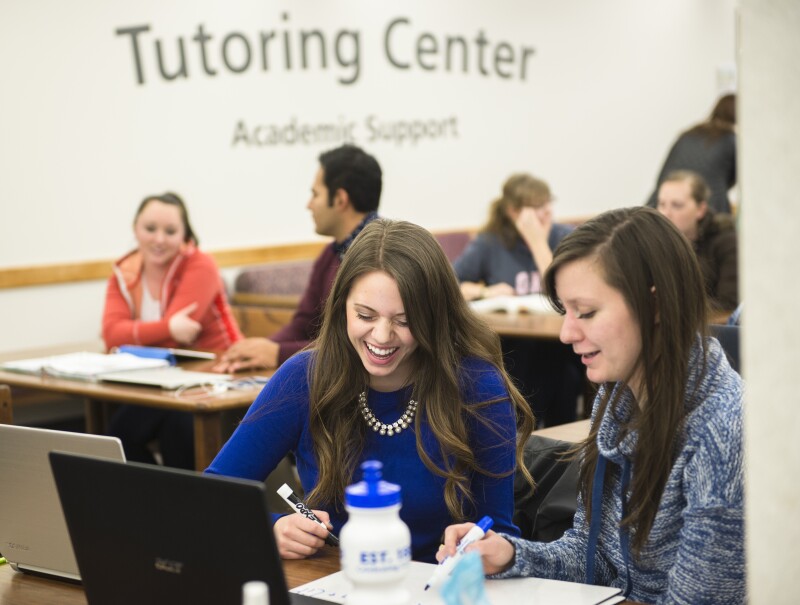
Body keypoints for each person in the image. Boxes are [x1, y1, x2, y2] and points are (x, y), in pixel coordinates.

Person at [440, 207, 744, 604]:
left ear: (654, 306)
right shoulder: (618, 395)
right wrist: (512, 554)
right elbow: (594, 556)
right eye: (566, 312)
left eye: (586, 312)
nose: (567, 333)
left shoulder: (722, 432)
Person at [206, 219, 535, 564]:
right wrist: (271, 529)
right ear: (342, 306)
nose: (381, 336)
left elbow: (499, 531)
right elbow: (213, 495)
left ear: (434, 317)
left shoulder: (477, 386)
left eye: (404, 321)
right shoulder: (305, 376)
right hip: (331, 586)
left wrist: (485, 548)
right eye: (365, 315)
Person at [102, 192, 242, 469]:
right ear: (135, 229)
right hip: (164, 382)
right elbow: (111, 335)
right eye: (150, 229)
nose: (159, 239)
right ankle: (155, 501)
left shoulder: (200, 264)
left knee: (178, 428)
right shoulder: (124, 272)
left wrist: (143, 333)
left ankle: (180, 503)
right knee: (116, 437)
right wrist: (168, 326)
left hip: (221, 376)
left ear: (184, 235)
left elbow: (181, 338)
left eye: (170, 231)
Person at [213, 144, 382, 373]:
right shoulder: (331, 253)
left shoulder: (380, 257)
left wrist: (277, 353)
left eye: (315, 194)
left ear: (340, 199)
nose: (309, 204)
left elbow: (356, 344)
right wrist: (261, 348)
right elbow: (303, 324)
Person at [452, 173, 580, 427]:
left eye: (547, 204)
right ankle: (521, 435)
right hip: (513, 346)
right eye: (536, 207)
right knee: (517, 367)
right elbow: (451, 282)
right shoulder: (490, 242)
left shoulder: (563, 236)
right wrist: (486, 292)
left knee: (564, 375)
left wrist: (537, 242)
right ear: (513, 211)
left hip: (560, 345)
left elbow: (563, 291)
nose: (545, 213)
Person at [656, 170, 739, 312]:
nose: (666, 214)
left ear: (700, 209)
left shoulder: (727, 243)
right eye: (662, 205)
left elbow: (729, 306)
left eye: (677, 205)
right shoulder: (654, 244)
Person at [646, 93, 737, 214]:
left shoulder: (688, 134)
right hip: (711, 207)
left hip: (658, 206)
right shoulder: (731, 140)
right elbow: (735, 179)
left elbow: (662, 177)